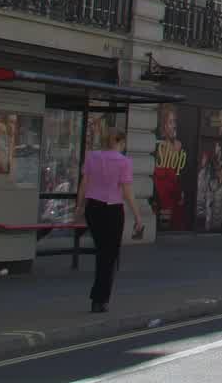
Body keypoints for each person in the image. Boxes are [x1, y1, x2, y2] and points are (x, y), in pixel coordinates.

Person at [75, 126, 145, 314]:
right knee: (109, 255)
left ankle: (98, 297)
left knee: (101, 252)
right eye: (123, 143)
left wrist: (80, 206)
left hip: (93, 209)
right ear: (120, 142)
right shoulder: (124, 162)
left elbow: (84, 184)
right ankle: (100, 299)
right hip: (113, 209)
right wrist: (138, 216)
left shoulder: (92, 157)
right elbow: (127, 192)